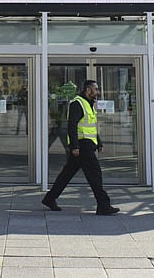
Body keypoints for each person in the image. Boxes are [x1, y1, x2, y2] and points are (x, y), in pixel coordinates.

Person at [42, 80, 119, 215]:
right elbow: (72, 125)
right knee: (95, 174)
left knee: (67, 174)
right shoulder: (77, 103)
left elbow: (91, 126)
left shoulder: (88, 104)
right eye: (95, 89)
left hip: (87, 144)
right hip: (82, 145)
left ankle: (49, 198)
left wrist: (99, 142)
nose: (98, 92)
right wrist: (74, 146)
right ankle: (103, 205)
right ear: (88, 90)